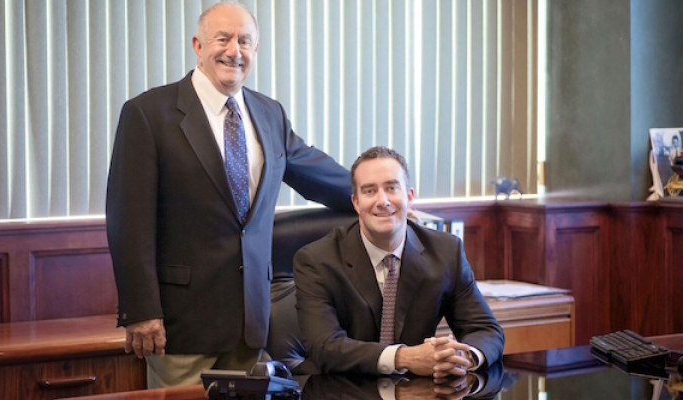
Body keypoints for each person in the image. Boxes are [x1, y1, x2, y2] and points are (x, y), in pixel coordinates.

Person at [106, 1, 353, 388]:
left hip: (251, 324)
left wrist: (379, 198)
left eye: (245, 41)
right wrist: (141, 310)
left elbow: (318, 174)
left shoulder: (269, 114)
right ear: (198, 46)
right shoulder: (148, 114)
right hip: (181, 326)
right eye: (222, 38)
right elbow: (128, 220)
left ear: (255, 50)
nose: (234, 50)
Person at [293, 146, 504, 377]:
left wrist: (463, 358)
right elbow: (324, 347)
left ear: (409, 196)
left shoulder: (445, 252)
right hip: (340, 389)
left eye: (392, 188)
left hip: (416, 391)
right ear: (355, 202)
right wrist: (404, 357)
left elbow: (486, 330)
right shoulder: (317, 260)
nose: (382, 201)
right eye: (369, 191)